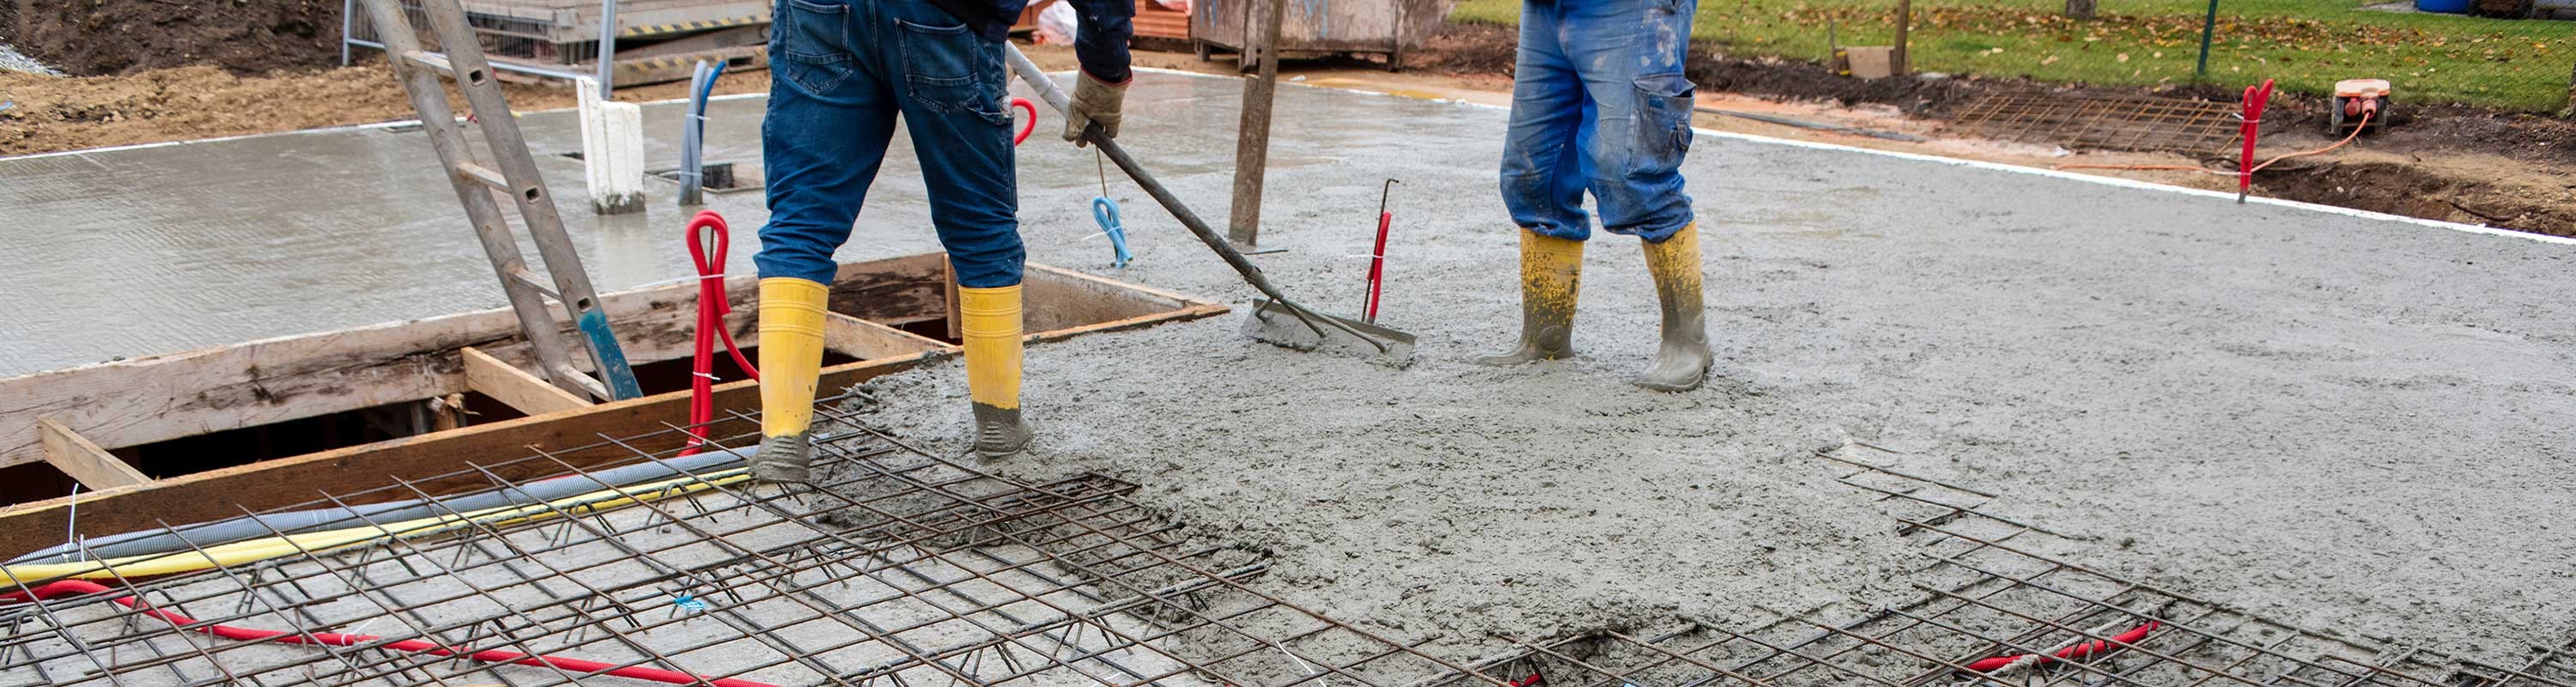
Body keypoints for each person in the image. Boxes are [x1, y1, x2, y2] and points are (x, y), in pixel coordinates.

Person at [750, 0, 1137, 482]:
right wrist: (1105, 71)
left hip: (821, 14)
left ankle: (783, 443)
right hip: (941, 15)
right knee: (979, 225)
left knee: (801, 226)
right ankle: (999, 426)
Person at [1478, 0, 1711, 392]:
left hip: (1633, 12)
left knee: (1630, 170)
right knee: (1534, 174)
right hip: (1547, 10)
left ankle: (1688, 342)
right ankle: (1546, 336)